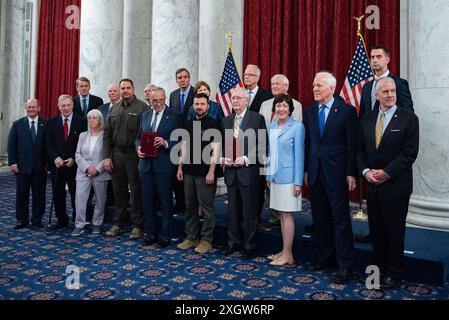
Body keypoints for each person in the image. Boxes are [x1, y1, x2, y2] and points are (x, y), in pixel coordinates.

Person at [357, 77, 419, 290]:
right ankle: (377, 273)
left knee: (394, 232)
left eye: (393, 91)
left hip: (396, 186)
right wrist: (365, 172)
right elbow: (360, 150)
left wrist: (386, 173)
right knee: (377, 231)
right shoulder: (366, 118)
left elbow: (409, 154)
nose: (391, 95)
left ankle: (395, 274)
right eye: (386, 91)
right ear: (376, 95)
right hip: (372, 185)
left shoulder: (409, 118)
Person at [303, 71, 358, 285]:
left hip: (337, 174)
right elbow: (309, 144)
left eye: (319, 85)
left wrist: (351, 172)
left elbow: (352, 144)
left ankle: (345, 265)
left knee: (341, 221)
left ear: (332, 88)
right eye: (314, 85)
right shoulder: (309, 112)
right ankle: (324, 257)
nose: (315, 89)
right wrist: (307, 170)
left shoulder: (346, 111)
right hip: (315, 172)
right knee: (320, 219)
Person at [356, 45, 414, 244]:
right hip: (371, 155)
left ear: (387, 59)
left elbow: (407, 114)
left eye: (379, 56)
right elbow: (364, 118)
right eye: (372, 57)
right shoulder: (366, 87)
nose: (374, 60)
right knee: (376, 216)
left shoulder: (399, 83)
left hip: (393, 158)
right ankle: (374, 234)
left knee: (394, 225)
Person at [221, 87, 267, 259]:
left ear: (246, 101)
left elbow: (263, 147)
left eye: (239, 98)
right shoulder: (226, 120)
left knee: (249, 213)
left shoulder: (257, 119)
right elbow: (222, 145)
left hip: (249, 173)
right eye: (233, 98)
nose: (235, 101)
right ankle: (233, 245)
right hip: (231, 173)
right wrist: (222, 158)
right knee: (232, 212)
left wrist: (246, 158)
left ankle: (249, 246)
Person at [103, 79, 149, 239]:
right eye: (122, 88)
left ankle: (137, 225)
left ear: (133, 89)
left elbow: (147, 133)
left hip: (133, 155)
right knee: (119, 190)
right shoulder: (114, 108)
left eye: (128, 88)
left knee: (136, 190)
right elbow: (107, 134)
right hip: (116, 155)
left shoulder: (142, 107)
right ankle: (118, 223)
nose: (125, 91)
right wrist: (106, 157)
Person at [136, 87, 181, 247]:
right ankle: (150, 234)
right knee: (147, 202)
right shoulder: (145, 115)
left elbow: (181, 140)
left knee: (165, 202)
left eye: (161, 100)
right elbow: (138, 137)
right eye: (155, 100)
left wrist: (166, 143)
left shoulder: (175, 116)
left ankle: (165, 236)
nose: (158, 103)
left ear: (165, 99)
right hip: (146, 166)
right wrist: (138, 149)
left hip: (164, 165)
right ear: (150, 100)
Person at [177, 93, 221, 254]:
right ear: (193, 106)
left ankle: (206, 240)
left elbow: (216, 151)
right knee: (190, 206)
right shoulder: (188, 124)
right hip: (188, 171)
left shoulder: (213, 124)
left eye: (202, 104)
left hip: (205, 173)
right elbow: (183, 147)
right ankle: (191, 236)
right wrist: (180, 168)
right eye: (196, 104)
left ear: (208, 106)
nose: (199, 107)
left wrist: (211, 172)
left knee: (206, 207)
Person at [259, 74, 303, 231]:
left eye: (278, 84)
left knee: (286, 207)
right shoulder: (264, 104)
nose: (274, 86)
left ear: (286, 87)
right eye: (272, 84)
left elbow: (294, 131)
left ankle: (282, 220)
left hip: (286, 155)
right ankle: (273, 217)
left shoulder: (296, 106)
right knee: (270, 188)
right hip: (267, 151)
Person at [266, 94, 304, 266]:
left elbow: (300, 155)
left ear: (290, 109)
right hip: (275, 176)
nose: (281, 109)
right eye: (278, 106)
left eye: (284, 106)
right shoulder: (271, 125)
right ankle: (283, 250)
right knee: (281, 214)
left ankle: (288, 254)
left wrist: (298, 182)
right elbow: (270, 153)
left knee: (287, 215)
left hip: (289, 178)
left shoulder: (297, 127)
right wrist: (268, 175)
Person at [46, 95, 87, 229]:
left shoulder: (81, 121)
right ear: (59, 106)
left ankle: (78, 219)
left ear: (72, 105)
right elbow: (48, 144)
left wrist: (74, 158)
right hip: (57, 165)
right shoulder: (51, 122)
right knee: (58, 193)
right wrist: (55, 157)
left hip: (74, 164)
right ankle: (61, 219)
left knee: (76, 193)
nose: (66, 108)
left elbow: (83, 144)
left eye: (68, 105)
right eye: (63, 106)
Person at [7, 99, 48, 229]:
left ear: (39, 108)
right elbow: (11, 146)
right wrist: (12, 162)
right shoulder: (17, 124)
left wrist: (48, 165)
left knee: (39, 196)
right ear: (26, 108)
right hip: (22, 166)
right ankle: (22, 220)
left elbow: (48, 146)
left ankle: (37, 219)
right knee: (22, 195)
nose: (30, 109)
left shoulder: (45, 124)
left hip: (40, 167)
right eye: (28, 107)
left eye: (33, 107)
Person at [71, 109, 111, 236]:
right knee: (80, 198)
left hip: (101, 172)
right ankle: (79, 224)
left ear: (100, 120)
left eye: (95, 117)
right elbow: (77, 154)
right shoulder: (83, 135)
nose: (92, 120)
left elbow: (108, 154)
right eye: (90, 118)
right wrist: (88, 168)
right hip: (83, 171)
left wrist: (97, 169)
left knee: (100, 199)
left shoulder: (106, 135)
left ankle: (97, 224)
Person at [169, 68, 194, 213]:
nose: (182, 80)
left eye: (185, 77)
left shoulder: (196, 93)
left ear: (189, 79)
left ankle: (190, 205)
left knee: (189, 172)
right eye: (179, 77)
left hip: (192, 137)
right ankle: (179, 203)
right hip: (176, 138)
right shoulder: (173, 95)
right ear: (176, 80)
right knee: (176, 171)